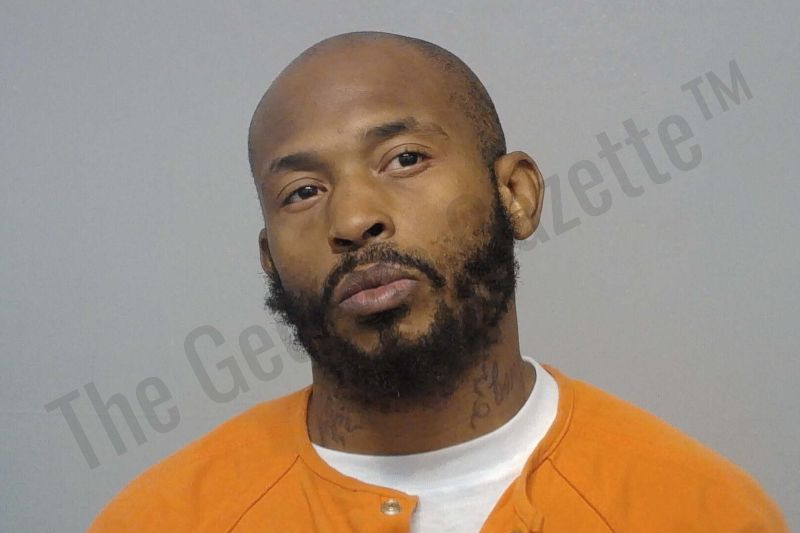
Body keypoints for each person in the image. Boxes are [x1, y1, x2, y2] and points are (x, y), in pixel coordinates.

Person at [90, 31, 788, 532]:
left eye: (404, 158)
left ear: (515, 194)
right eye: (303, 191)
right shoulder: (162, 518)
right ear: (269, 259)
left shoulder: (699, 509)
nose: (353, 219)